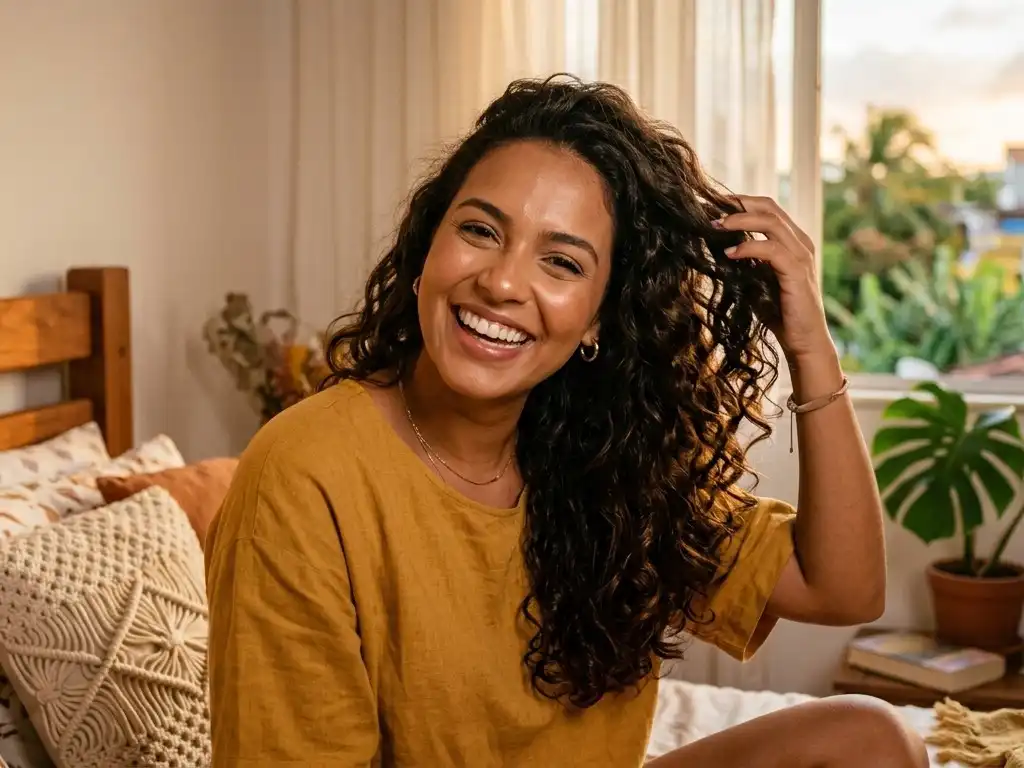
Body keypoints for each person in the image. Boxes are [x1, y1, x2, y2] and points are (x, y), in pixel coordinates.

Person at [205, 76, 927, 767]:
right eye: (480, 230)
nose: (502, 282)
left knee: (870, 739)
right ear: (426, 249)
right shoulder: (304, 471)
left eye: (562, 262)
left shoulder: (605, 452)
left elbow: (842, 589)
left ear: (598, 321)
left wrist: (810, 346)